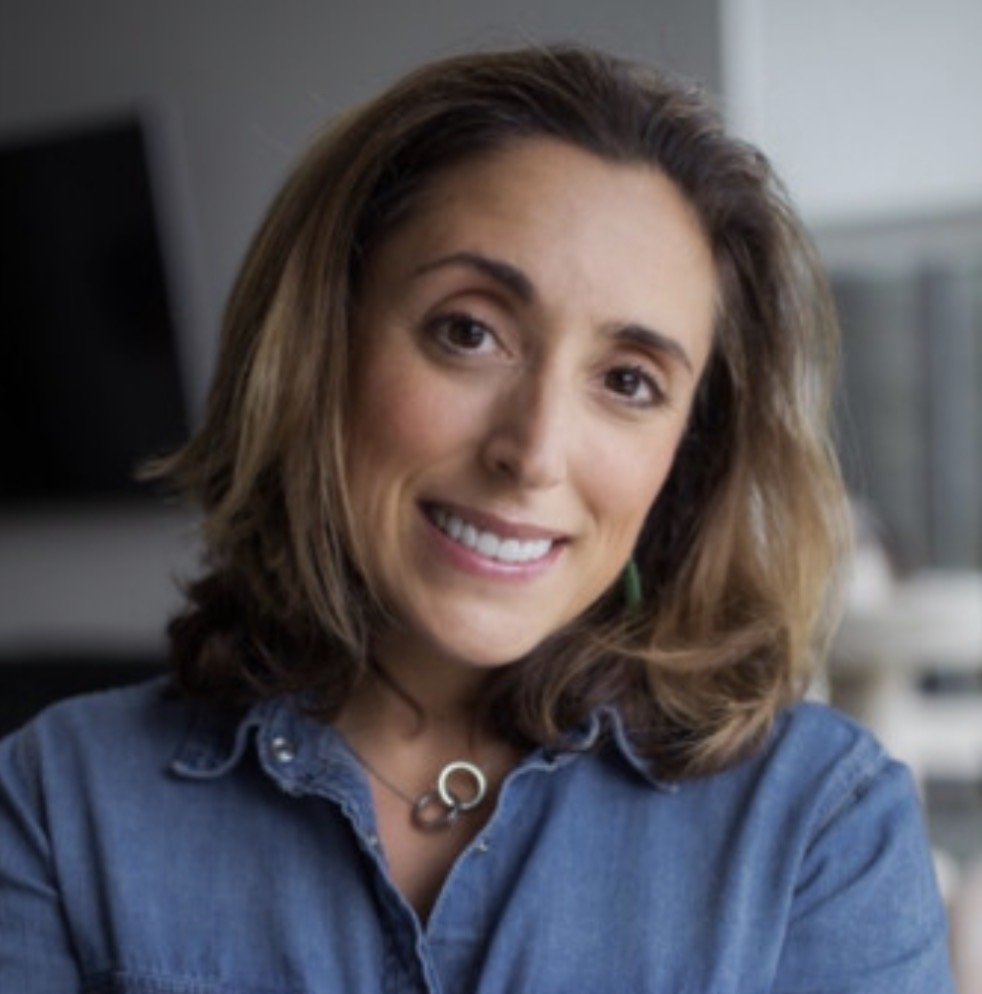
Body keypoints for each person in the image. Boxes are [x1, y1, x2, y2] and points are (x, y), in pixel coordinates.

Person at [0, 44, 954, 993]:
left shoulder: (818, 823)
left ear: (686, 456)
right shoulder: (57, 800)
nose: (533, 452)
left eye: (628, 382)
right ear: (319, 344)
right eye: (470, 331)